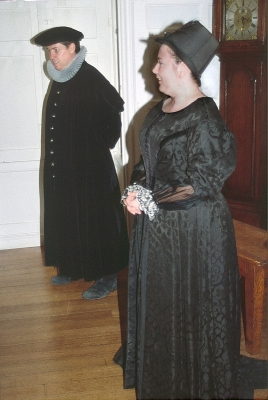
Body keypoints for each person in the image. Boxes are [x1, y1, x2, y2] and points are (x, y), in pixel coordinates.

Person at [114, 20, 267, 399]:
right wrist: (134, 189)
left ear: (182, 66)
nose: (154, 68)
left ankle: (196, 376)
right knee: (164, 302)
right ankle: (165, 368)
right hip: (159, 229)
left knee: (194, 308)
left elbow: (203, 182)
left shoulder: (205, 119)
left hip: (197, 231)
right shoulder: (157, 110)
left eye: (161, 61)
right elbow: (143, 162)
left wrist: (149, 200)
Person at [32, 26, 129, 300]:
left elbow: (114, 113)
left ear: (72, 48)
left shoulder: (90, 77)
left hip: (90, 169)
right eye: (49, 51)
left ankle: (109, 275)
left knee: (97, 220)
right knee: (67, 214)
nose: (51, 56)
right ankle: (72, 266)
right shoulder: (62, 78)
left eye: (55, 50)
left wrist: (95, 149)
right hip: (63, 167)